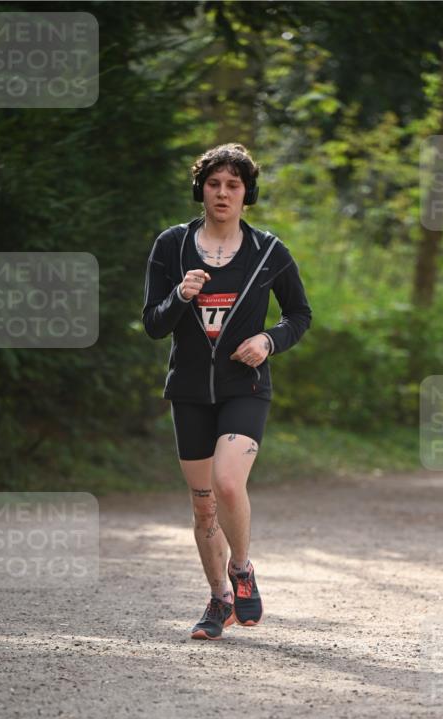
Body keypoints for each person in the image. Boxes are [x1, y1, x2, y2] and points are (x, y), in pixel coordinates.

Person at [142, 143, 312, 640]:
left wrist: (268, 340)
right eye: (214, 184)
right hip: (190, 391)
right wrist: (179, 295)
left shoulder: (268, 252)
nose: (222, 193)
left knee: (228, 483)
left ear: (246, 193)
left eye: (233, 185)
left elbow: (299, 315)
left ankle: (241, 568)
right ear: (201, 189)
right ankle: (218, 601)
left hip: (245, 387)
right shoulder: (172, 247)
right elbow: (153, 324)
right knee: (202, 505)